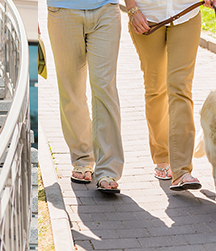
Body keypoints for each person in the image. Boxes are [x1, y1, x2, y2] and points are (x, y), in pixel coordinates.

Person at [126, 0, 216, 190]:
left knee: (180, 88)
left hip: (186, 12)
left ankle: (182, 170)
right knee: (156, 89)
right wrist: (132, 9)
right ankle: (162, 158)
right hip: (146, 16)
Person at [47, 0, 126, 193]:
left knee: (105, 90)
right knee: (71, 91)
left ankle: (108, 169)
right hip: (63, 10)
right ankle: (82, 158)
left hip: (106, 9)